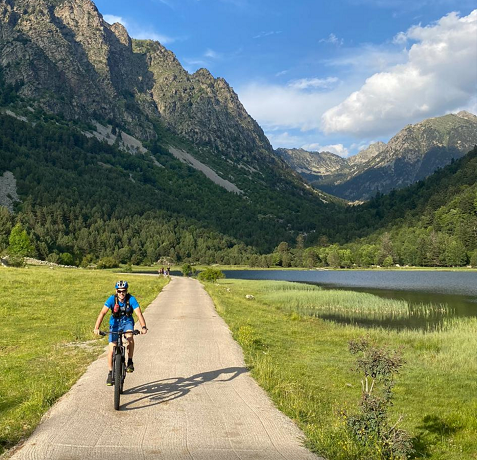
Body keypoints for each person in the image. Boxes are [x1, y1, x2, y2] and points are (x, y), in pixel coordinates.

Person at [94, 280, 148, 385]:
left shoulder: (131, 299)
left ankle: (130, 361)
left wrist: (143, 326)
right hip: (115, 323)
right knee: (111, 348)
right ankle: (110, 373)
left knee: (129, 337)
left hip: (127, 322)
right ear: (116, 291)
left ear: (126, 291)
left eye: (123, 291)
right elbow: (102, 313)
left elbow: (138, 313)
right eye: (119, 291)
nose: (121, 293)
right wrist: (96, 327)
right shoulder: (111, 299)